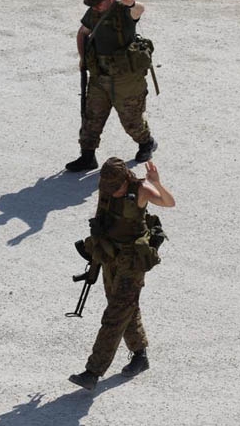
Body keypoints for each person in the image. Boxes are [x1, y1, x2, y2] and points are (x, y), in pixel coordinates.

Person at [69, 157, 175, 391]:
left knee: (115, 315)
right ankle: (140, 355)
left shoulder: (141, 190)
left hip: (133, 262)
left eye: (116, 188)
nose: (112, 192)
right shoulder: (107, 188)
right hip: (110, 257)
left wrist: (156, 183)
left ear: (126, 179)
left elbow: (170, 203)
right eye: (108, 188)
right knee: (125, 307)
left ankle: (92, 372)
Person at [66, 0, 158, 172]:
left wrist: (131, 3)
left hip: (125, 79)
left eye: (98, 3)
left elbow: (139, 9)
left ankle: (146, 143)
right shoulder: (93, 11)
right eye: (92, 3)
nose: (95, 7)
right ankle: (87, 156)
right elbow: (83, 32)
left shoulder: (124, 10)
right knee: (91, 117)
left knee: (131, 120)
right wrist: (83, 59)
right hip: (100, 75)